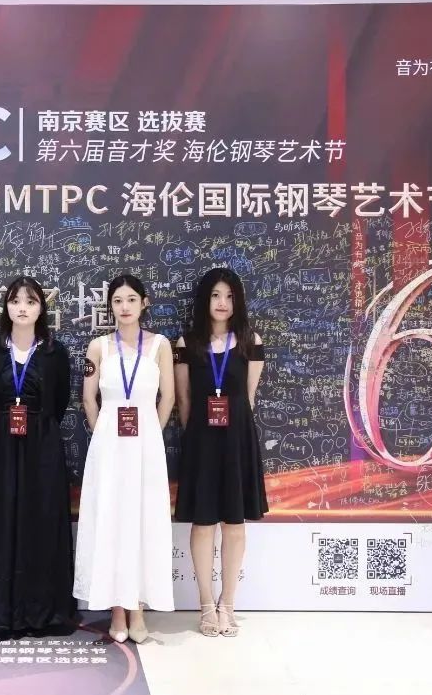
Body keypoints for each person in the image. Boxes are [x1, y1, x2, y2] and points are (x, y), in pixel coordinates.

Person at [0, 276, 77, 641]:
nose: (23, 308)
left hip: (43, 444)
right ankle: (1, 613)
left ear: (41, 308)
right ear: (6, 307)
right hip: (2, 445)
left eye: (31, 301)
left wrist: (36, 423)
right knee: (2, 520)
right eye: (15, 301)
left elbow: (59, 402)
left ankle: (44, 612)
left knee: (42, 520)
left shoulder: (55, 353)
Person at [73, 273, 175, 644]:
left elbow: (168, 397)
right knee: (112, 520)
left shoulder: (160, 345)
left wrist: (151, 433)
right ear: (110, 306)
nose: (125, 307)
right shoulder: (98, 346)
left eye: (131, 299)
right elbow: (88, 398)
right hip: (109, 448)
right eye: (118, 301)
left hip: (146, 447)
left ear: (144, 303)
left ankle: (138, 610)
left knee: (143, 521)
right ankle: (117, 610)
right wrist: (102, 434)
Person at [174, 267, 267, 637]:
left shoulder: (250, 341)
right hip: (201, 440)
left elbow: (249, 396)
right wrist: (197, 435)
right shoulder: (186, 343)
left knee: (234, 524)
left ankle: (227, 604)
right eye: (215, 295)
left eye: (229, 296)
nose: (222, 302)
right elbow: (183, 399)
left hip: (237, 440)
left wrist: (233, 432)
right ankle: (205, 605)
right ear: (205, 299)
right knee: (203, 523)